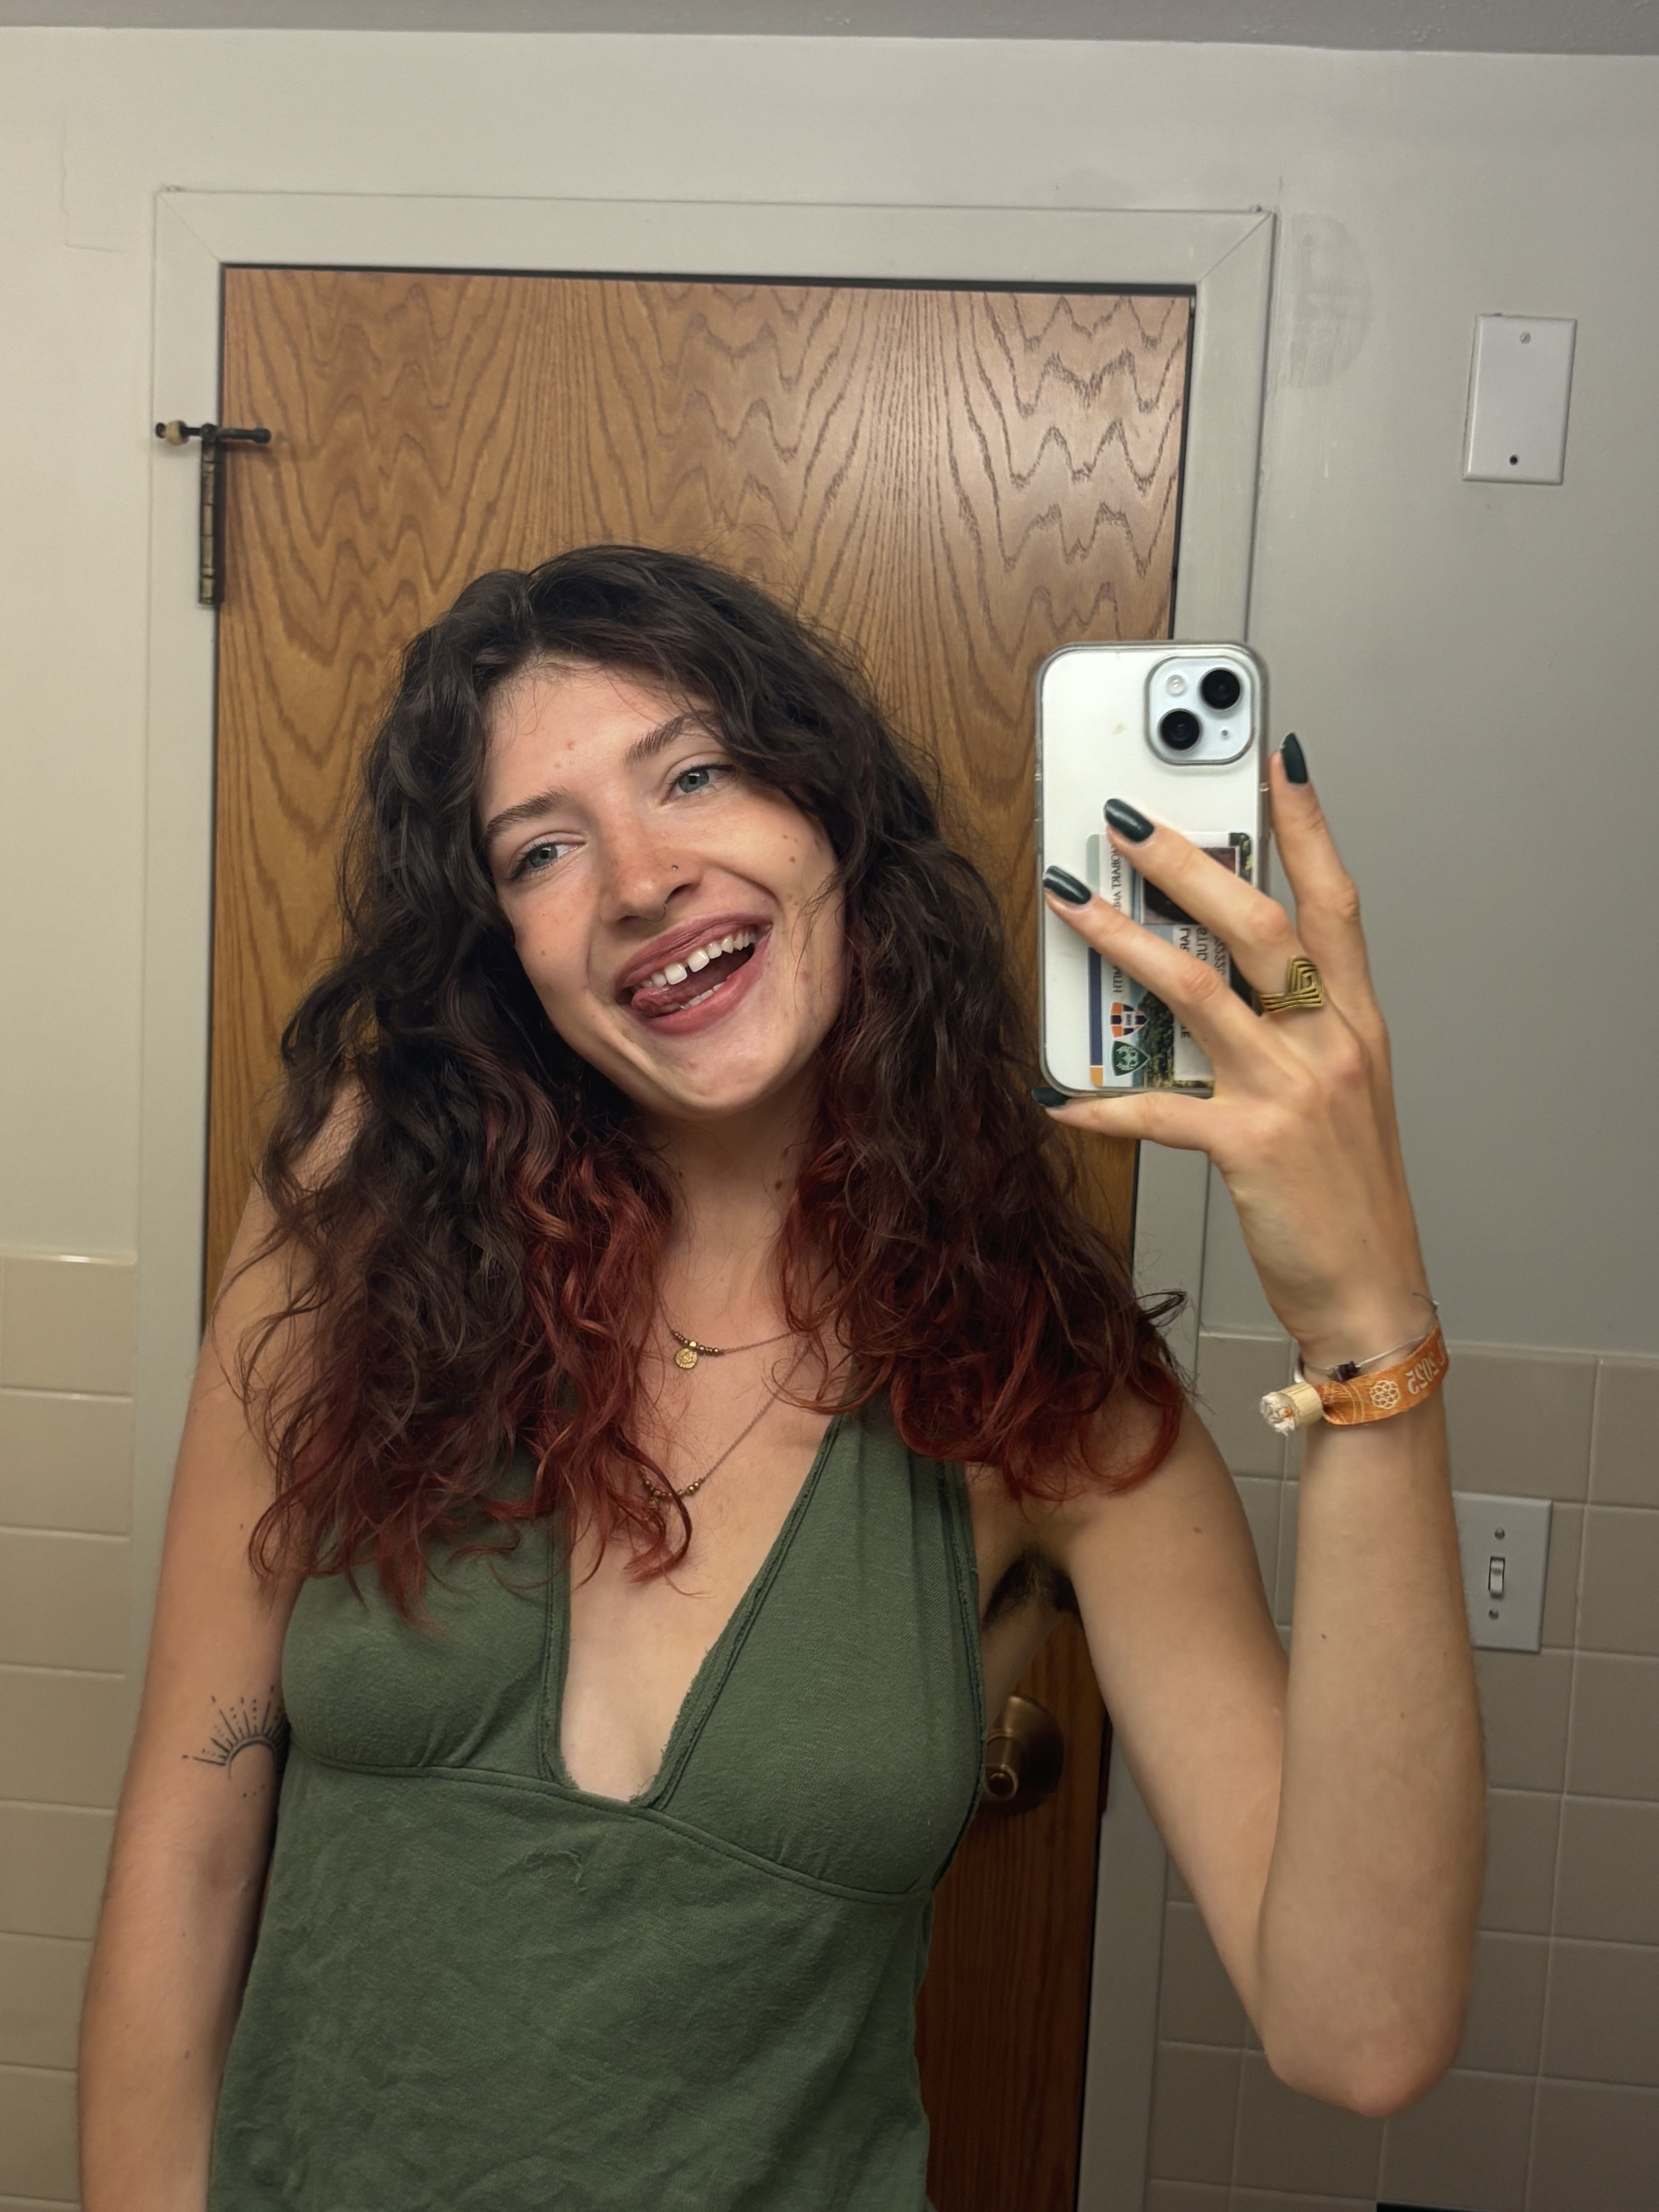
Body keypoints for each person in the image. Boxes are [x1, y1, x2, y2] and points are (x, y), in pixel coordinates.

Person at [79, 545, 1483, 2211]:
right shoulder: (361, 1209)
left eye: (694, 773)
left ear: (832, 815)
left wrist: (1367, 1327)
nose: (638, 879)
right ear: (502, 948)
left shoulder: (1046, 1397)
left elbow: (1360, 2034)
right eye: (542, 849)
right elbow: (190, 1839)